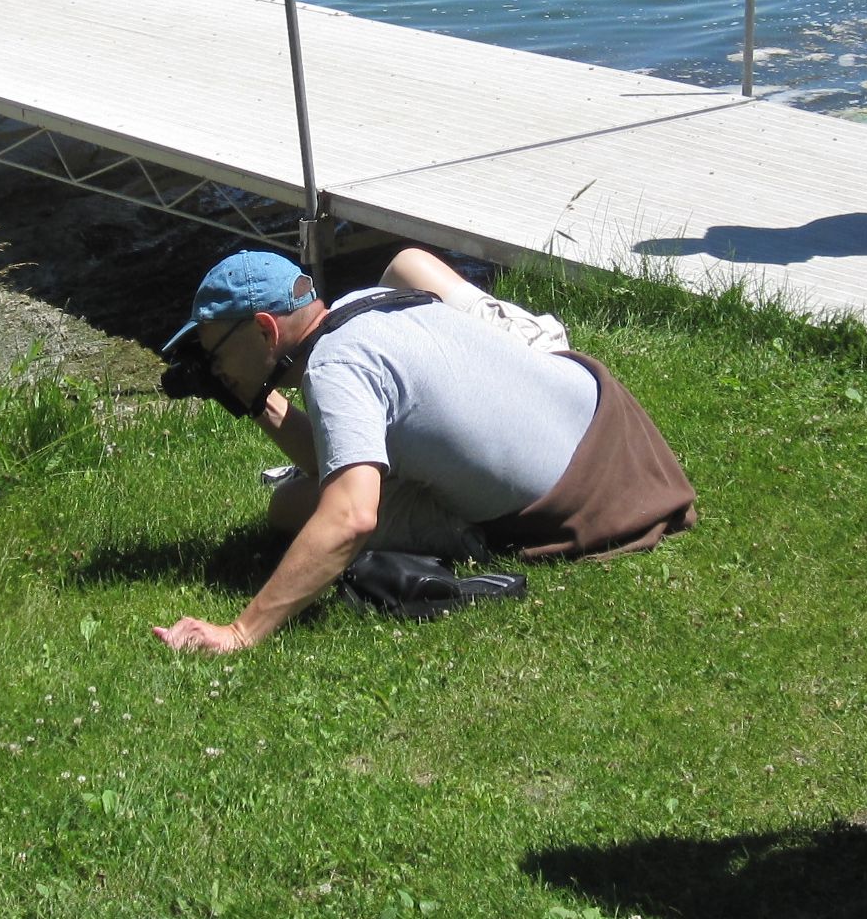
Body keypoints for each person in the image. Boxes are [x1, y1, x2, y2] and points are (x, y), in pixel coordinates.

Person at [151, 248, 696, 654]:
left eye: (214, 350)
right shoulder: (364, 305)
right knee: (326, 482)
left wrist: (240, 631)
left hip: (587, 503)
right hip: (613, 425)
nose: (212, 366)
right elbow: (330, 457)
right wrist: (254, 399)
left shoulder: (335, 367)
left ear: (265, 329)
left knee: (292, 505)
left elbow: (350, 517)